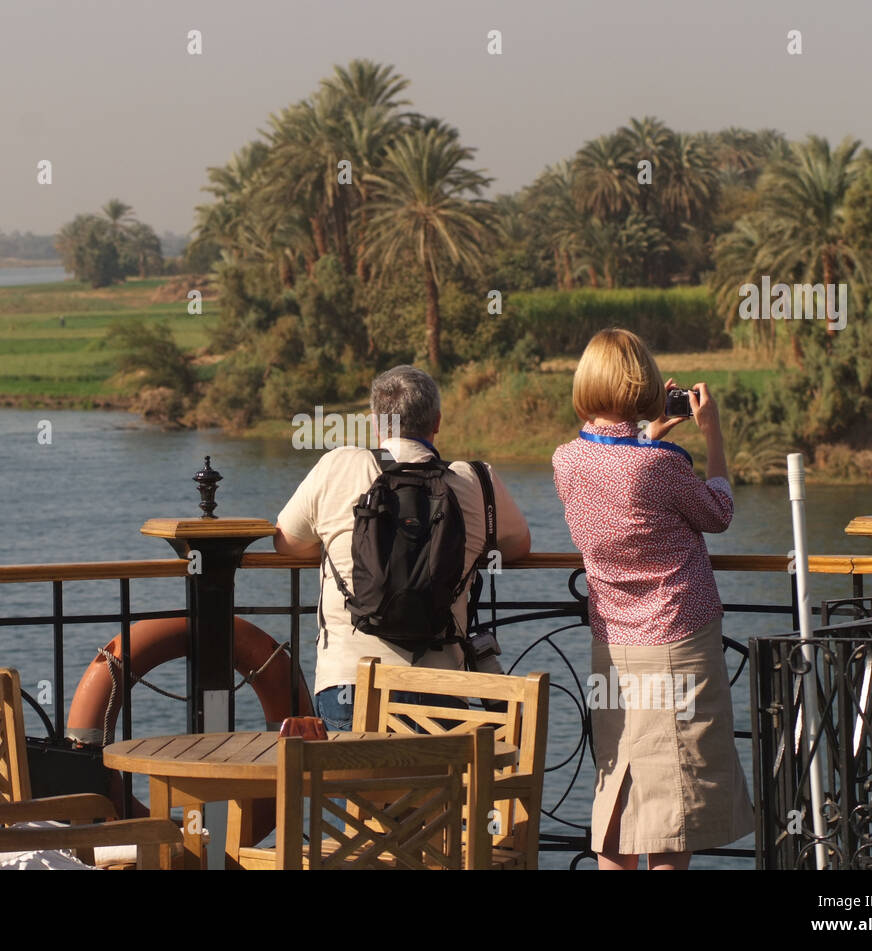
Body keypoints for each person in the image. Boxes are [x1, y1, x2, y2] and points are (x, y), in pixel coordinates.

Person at [551, 328, 753, 870]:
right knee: (671, 802)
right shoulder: (659, 465)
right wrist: (712, 438)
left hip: (612, 643)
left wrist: (647, 433)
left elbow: (613, 468)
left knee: (618, 790)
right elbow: (719, 513)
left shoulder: (566, 461)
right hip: (677, 641)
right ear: (641, 383)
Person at [274, 365, 532, 729]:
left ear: (375, 423)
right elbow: (519, 545)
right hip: (440, 689)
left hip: (351, 682)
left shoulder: (337, 466)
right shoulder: (477, 481)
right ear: (437, 422)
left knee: (353, 784)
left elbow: (285, 541)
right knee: (436, 784)